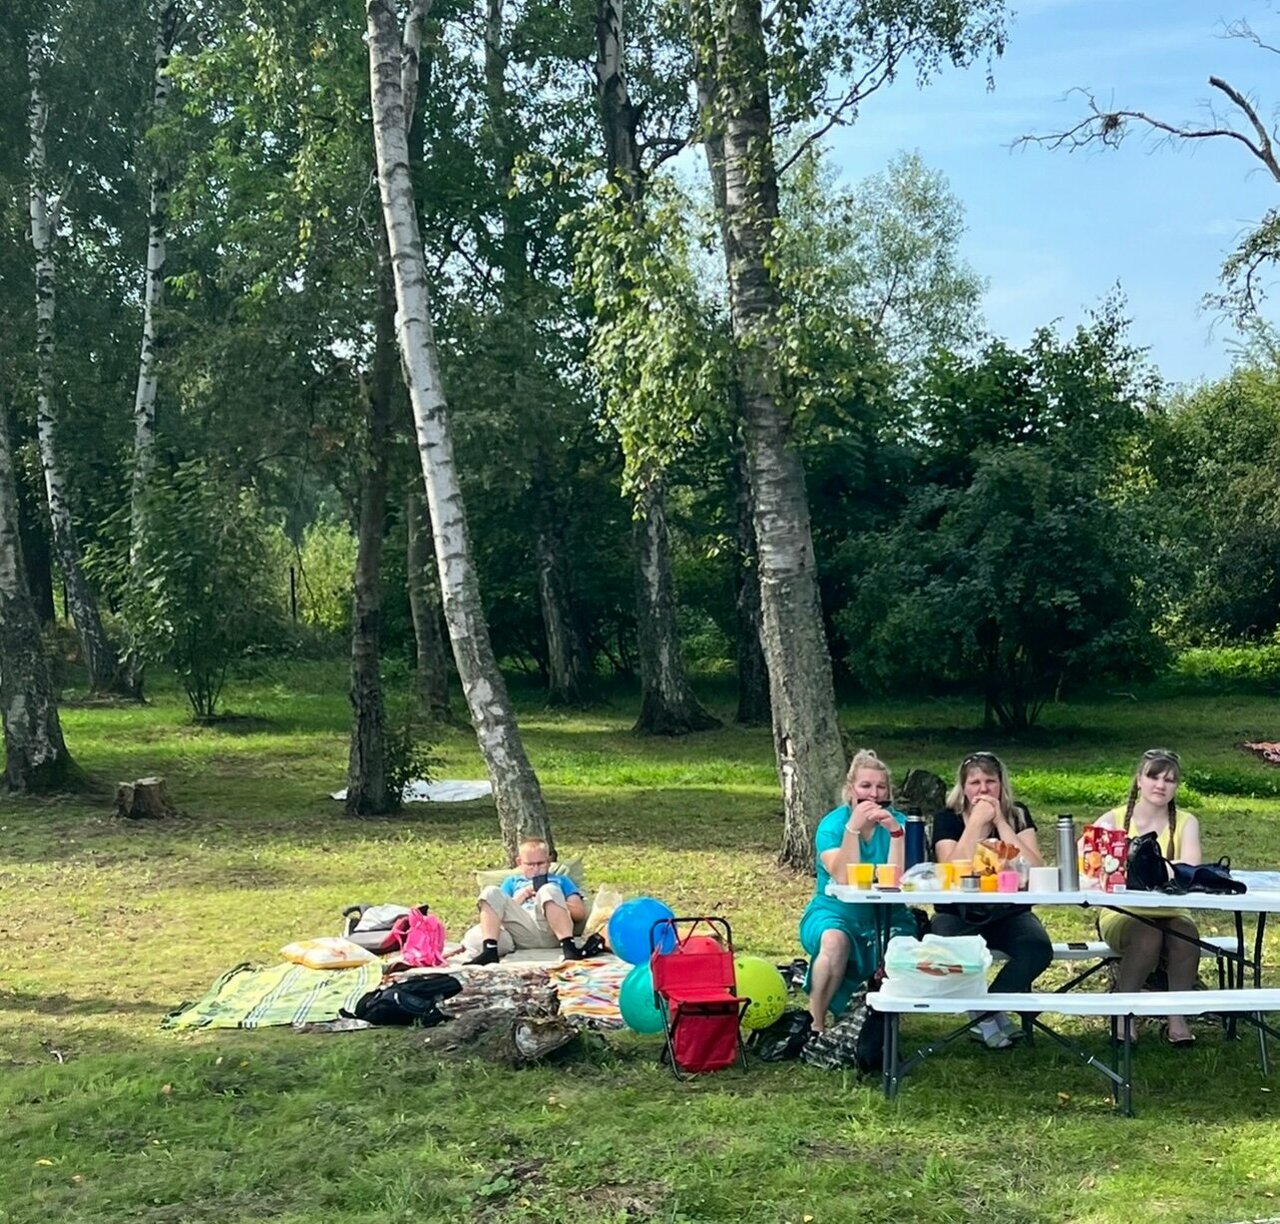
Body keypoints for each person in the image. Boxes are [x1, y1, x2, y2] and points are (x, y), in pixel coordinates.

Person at [931, 751, 1052, 1048]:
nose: (983, 790)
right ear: (963, 787)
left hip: (1009, 911)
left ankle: (986, 1011)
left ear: (1001, 784)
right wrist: (975, 825)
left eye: (990, 782)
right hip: (957, 913)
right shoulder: (947, 818)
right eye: (975, 783)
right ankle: (988, 1017)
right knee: (951, 947)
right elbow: (951, 870)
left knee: (1037, 948)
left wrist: (1001, 822)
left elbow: (1035, 868)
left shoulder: (1018, 813)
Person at [798, 749, 915, 1034]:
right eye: (866, 786)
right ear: (851, 789)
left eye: (881, 787)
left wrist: (896, 833)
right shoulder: (833, 825)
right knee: (834, 941)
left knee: (899, 946)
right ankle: (816, 1022)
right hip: (835, 910)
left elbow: (899, 879)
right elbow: (843, 875)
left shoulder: (899, 822)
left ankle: (879, 1024)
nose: (873, 794)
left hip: (889, 914)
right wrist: (852, 829)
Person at [1091, 748, 1202, 1046]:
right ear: (1139, 780)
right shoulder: (1112, 819)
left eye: (1169, 780)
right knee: (1147, 935)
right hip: (1123, 911)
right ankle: (1123, 1012)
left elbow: (1189, 869)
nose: (1160, 785)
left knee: (1186, 936)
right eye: (1154, 777)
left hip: (1172, 911)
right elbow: (1087, 861)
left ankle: (1177, 1017)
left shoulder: (1187, 822)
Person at [461, 838, 587, 965]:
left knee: (548, 889)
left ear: (549, 861)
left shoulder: (561, 880)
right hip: (520, 930)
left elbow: (579, 913)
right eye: (530, 864)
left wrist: (552, 900)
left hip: (552, 929)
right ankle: (490, 951)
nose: (536, 869)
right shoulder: (512, 882)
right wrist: (522, 896)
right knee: (490, 892)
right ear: (520, 862)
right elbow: (497, 912)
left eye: (540, 863)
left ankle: (569, 949)